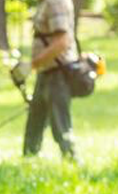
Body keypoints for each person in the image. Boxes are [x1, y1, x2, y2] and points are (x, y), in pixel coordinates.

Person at [23, 0, 78, 160]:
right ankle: (28, 162)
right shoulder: (46, 3)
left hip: (57, 73)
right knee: (35, 121)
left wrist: (32, 65)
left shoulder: (56, 3)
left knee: (60, 125)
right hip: (46, 72)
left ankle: (72, 163)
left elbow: (61, 42)